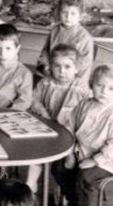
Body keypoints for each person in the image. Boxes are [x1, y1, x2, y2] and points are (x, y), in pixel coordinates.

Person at [52, 64, 113, 206]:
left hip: (105, 160)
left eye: (111, 88)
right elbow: (69, 127)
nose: (104, 91)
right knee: (58, 167)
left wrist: (94, 161)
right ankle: (72, 197)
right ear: (91, 85)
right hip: (79, 151)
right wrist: (69, 153)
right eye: (99, 85)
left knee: (84, 176)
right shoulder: (84, 104)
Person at [26, 44, 90, 192]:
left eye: (67, 67)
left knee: (66, 162)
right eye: (57, 66)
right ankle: (31, 183)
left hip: (71, 134)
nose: (62, 72)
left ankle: (63, 190)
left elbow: (88, 113)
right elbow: (33, 99)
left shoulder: (81, 89)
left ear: (76, 68)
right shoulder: (46, 83)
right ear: (50, 67)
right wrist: (42, 111)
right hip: (47, 128)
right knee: (36, 149)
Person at [36, 0, 94, 85]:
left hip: (74, 79)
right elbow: (46, 52)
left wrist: (75, 80)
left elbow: (85, 63)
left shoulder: (84, 37)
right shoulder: (54, 31)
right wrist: (46, 65)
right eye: (64, 13)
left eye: (73, 14)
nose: (68, 17)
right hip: (53, 74)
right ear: (59, 13)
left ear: (80, 16)